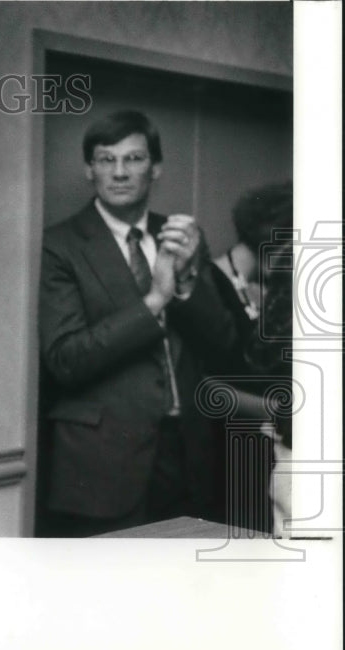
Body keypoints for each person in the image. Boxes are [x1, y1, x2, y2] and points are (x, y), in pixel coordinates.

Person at [37, 110, 238, 537]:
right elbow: (65, 358)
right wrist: (156, 300)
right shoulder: (59, 245)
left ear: (156, 167)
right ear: (89, 169)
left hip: (189, 454)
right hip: (102, 462)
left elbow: (222, 345)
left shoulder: (180, 235)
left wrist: (185, 283)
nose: (120, 172)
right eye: (106, 159)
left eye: (133, 159)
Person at [208, 181, 293, 533]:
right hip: (233, 447)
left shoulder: (263, 289)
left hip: (269, 444)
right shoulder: (211, 283)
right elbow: (208, 384)